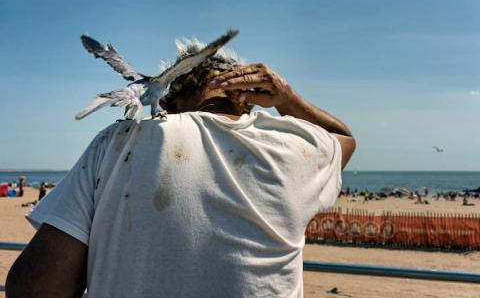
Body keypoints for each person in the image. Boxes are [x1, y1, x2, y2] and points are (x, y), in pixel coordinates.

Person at [6, 39, 355, 297]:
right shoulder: (295, 150)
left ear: (171, 97)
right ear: (245, 96)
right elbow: (343, 137)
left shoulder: (119, 141)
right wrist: (287, 98)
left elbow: (34, 288)